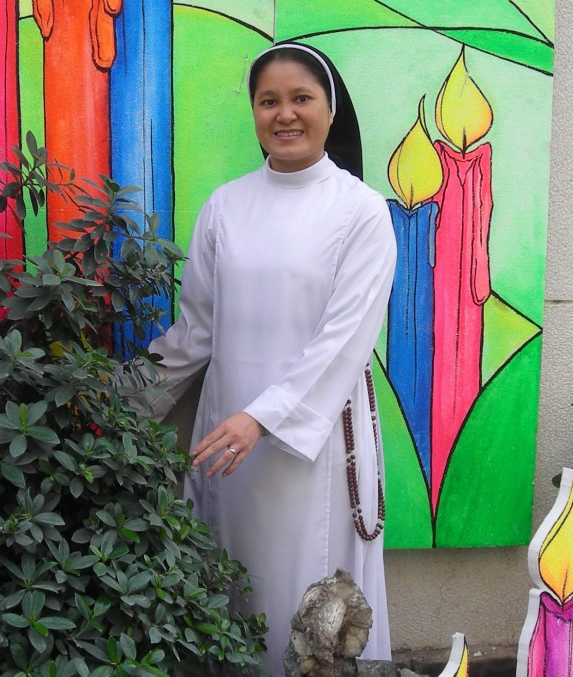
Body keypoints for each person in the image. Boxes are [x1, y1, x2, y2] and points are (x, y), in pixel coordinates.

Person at [144, 42, 396, 673]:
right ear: (254, 112)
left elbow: (343, 341)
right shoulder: (225, 206)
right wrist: (117, 402)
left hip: (311, 450)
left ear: (330, 110)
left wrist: (262, 417)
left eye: (301, 99)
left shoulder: (361, 213)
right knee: (234, 599)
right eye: (269, 101)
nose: (285, 115)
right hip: (229, 449)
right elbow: (196, 331)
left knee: (311, 615)